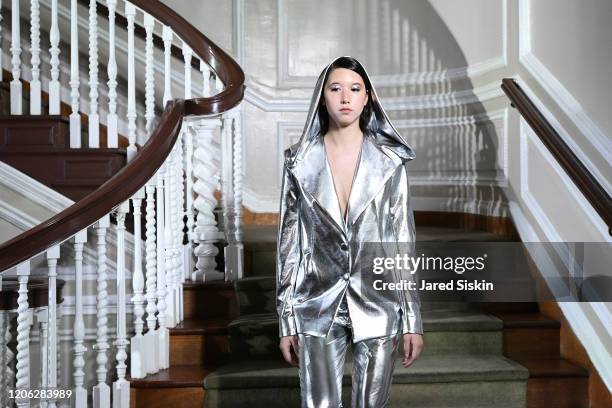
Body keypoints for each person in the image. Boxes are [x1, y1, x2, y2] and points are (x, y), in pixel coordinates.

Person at [276, 56, 423, 408]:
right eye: (336, 88)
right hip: (316, 302)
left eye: (354, 89)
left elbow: (401, 242)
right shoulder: (298, 161)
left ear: (367, 97)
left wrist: (412, 319)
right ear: (322, 97)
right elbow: (289, 246)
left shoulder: (389, 163)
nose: (345, 97)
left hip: (379, 302)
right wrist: (285, 320)